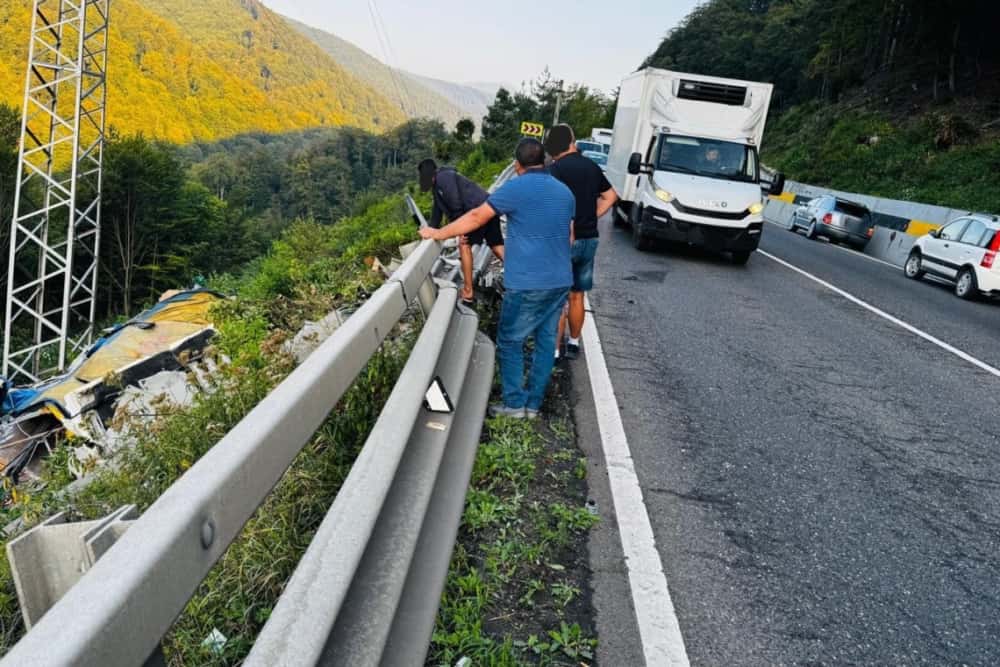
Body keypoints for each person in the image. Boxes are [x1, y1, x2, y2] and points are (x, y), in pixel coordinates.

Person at [420, 138, 574, 419]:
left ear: (517, 166)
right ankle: (533, 404)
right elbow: (570, 235)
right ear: (545, 162)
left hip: (527, 281)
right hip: (560, 280)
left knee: (510, 340)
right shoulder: (565, 192)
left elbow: (478, 215)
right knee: (545, 341)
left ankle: (515, 404)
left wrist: (438, 233)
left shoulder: (515, 188)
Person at [544, 124, 618, 361]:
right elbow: (610, 196)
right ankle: (574, 343)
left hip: (564, 240)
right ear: (571, 141)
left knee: (557, 296)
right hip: (589, 239)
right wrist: (593, 214)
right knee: (577, 294)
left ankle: (554, 350)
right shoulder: (592, 167)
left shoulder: (555, 170)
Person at [418, 158, 505, 304]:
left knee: (464, 245)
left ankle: (468, 291)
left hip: (476, 211)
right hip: (486, 207)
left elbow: (456, 202)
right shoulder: (438, 185)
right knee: (496, 246)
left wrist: (461, 230)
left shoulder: (443, 178)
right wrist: (430, 228)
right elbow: (437, 212)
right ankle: (521, 277)